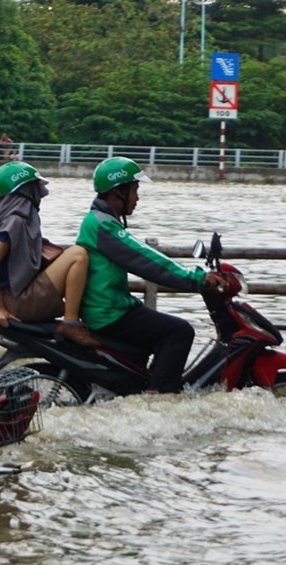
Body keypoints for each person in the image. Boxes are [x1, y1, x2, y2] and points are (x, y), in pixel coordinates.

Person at [75, 157, 225, 393]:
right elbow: (144, 260)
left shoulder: (101, 221)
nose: (137, 198)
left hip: (112, 306)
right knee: (180, 331)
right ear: (119, 192)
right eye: (134, 191)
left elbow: (143, 257)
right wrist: (195, 279)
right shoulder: (103, 225)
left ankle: (148, 385)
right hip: (108, 312)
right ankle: (157, 396)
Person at [0, 161, 99, 347]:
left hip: (15, 300)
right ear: (26, 192)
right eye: (35, 190)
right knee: (78, 254)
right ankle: (71, 323)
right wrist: (0, 309)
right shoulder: (15, 221)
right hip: (20, 302)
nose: (39, 196)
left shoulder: (13, 220)